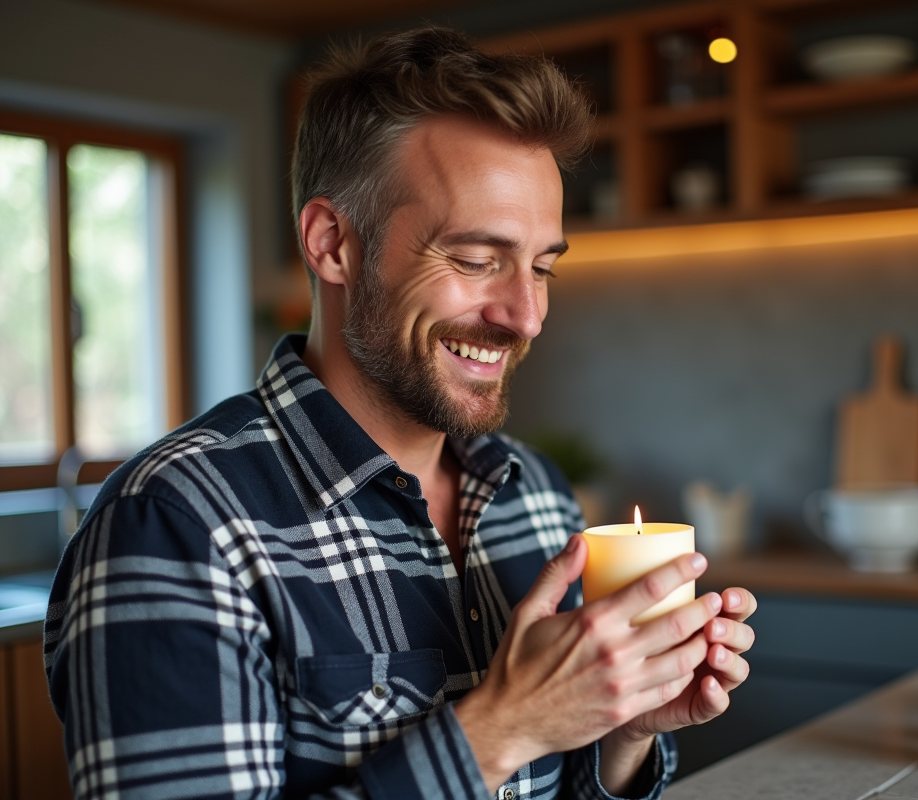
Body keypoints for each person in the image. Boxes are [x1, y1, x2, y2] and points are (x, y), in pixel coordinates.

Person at [44, 27, 756, 800]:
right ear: (333, 244)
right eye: (477, 260)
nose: (526, 316)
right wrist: (505, 726)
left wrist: (623, 729)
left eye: (542, 268)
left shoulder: (536, 495)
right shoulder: (174, 526)